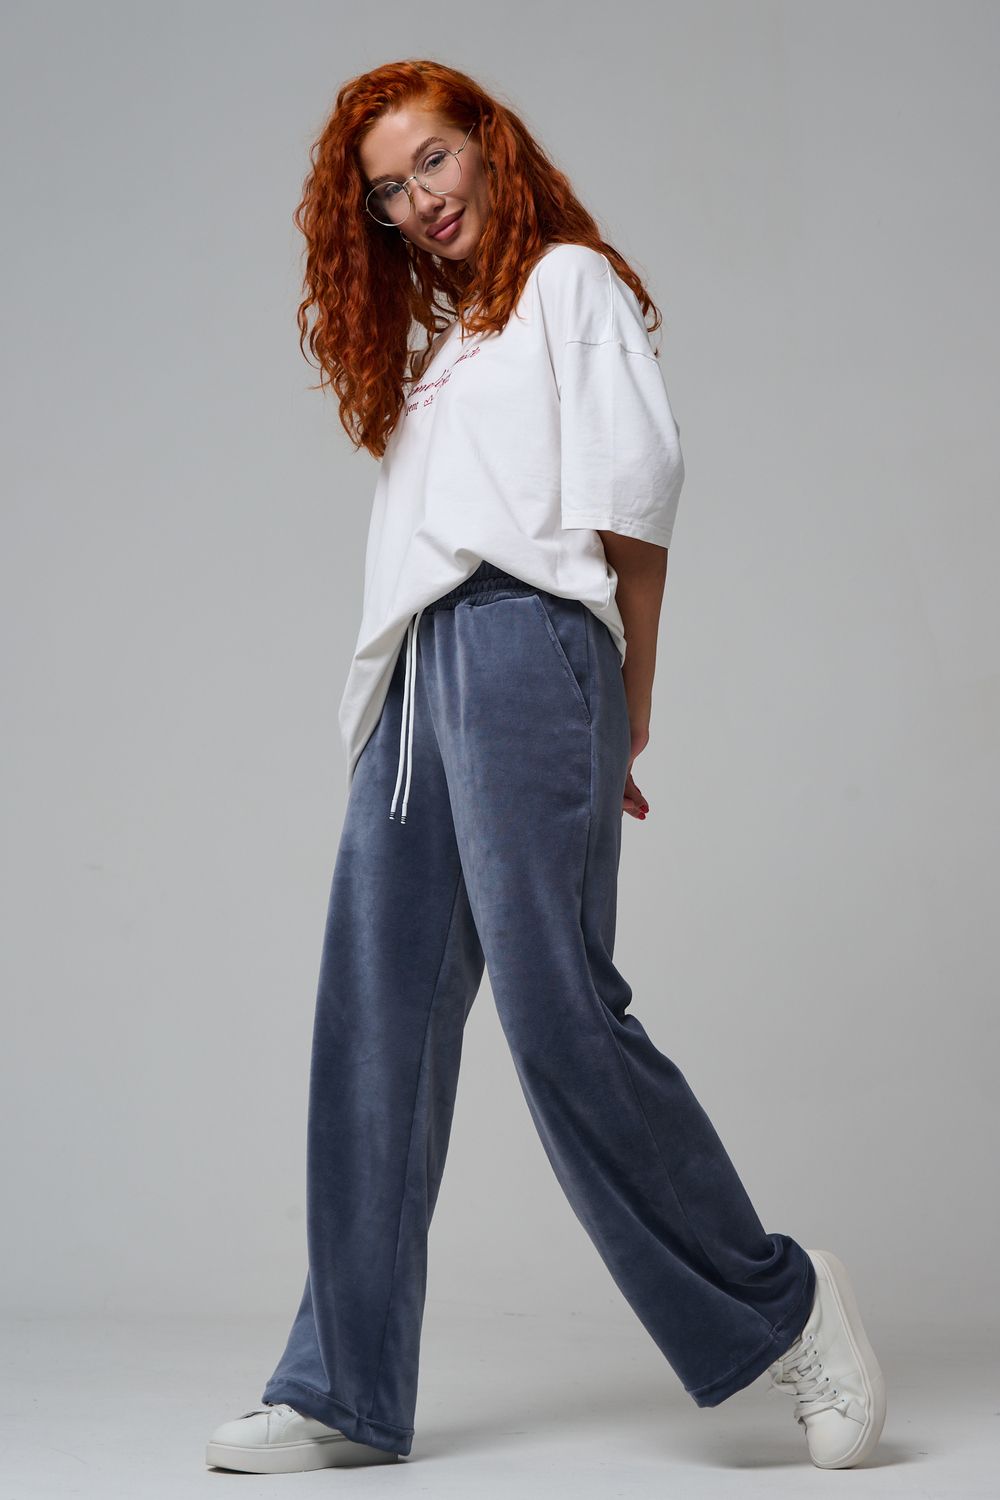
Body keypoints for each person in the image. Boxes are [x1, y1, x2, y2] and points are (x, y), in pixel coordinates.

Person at [205, 58, 886, 1476]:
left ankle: (787, 1307)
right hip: (412, 687)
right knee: (374, 1027)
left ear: (488, 144)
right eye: (388, 191)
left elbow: (637, 506)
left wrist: (624, 704)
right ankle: (342, 1384)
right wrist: (401, 712)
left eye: (433, 160)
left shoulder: (569, 283)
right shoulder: (446, 346)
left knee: (558, 1014)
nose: (418, 201)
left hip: (529, 645)